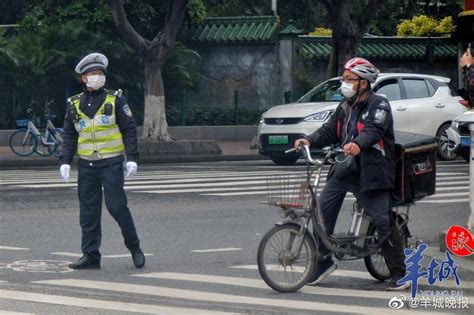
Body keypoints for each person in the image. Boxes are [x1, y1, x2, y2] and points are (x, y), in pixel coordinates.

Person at [294, 57, 408, 291]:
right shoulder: (346, 105)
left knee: (381, 220)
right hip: (345, 169)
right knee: (321, 213)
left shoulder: (380, 105)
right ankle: (324, 260)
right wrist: (308, 139)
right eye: (344, 79)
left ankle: (399, 273)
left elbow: (373, 130)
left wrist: (358, 143)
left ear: (364, 83)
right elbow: (328, 130)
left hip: (372, 172)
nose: (345, 84)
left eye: (349, 80)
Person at [59, 52, 145, 269]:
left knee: (117, 207)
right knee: (88, 213)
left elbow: (129, 130)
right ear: (83, 78)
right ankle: (90, 255)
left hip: (111, 164)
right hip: (87, 166)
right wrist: (65, 161)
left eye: (100, 73)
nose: (97, 77)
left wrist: (132, 158)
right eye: (92, 74)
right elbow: (70, 134)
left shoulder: (115, 99)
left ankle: (134, 247)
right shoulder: (74, 104)